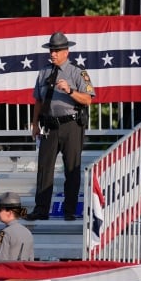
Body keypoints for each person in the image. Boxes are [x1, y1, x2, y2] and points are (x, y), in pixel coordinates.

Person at [26, 32, 95, 221]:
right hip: (49, 125)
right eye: (51, 50)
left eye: (56, 50)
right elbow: (38, 101)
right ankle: (41, 210)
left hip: (71, 125)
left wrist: (70, 90)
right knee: (44, 168)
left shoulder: (77, 71)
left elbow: (88, 100)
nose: (52, 54)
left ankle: (70, 210)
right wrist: (35, 124)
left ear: (66, 51)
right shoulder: (44, 72)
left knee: (71, 169)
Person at [0, 192, 34, 261]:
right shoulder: (28, 232)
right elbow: (31, 260)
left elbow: (0, 262)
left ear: (10, 212)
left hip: (9, 271)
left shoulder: (4, 233)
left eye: (0, 210)